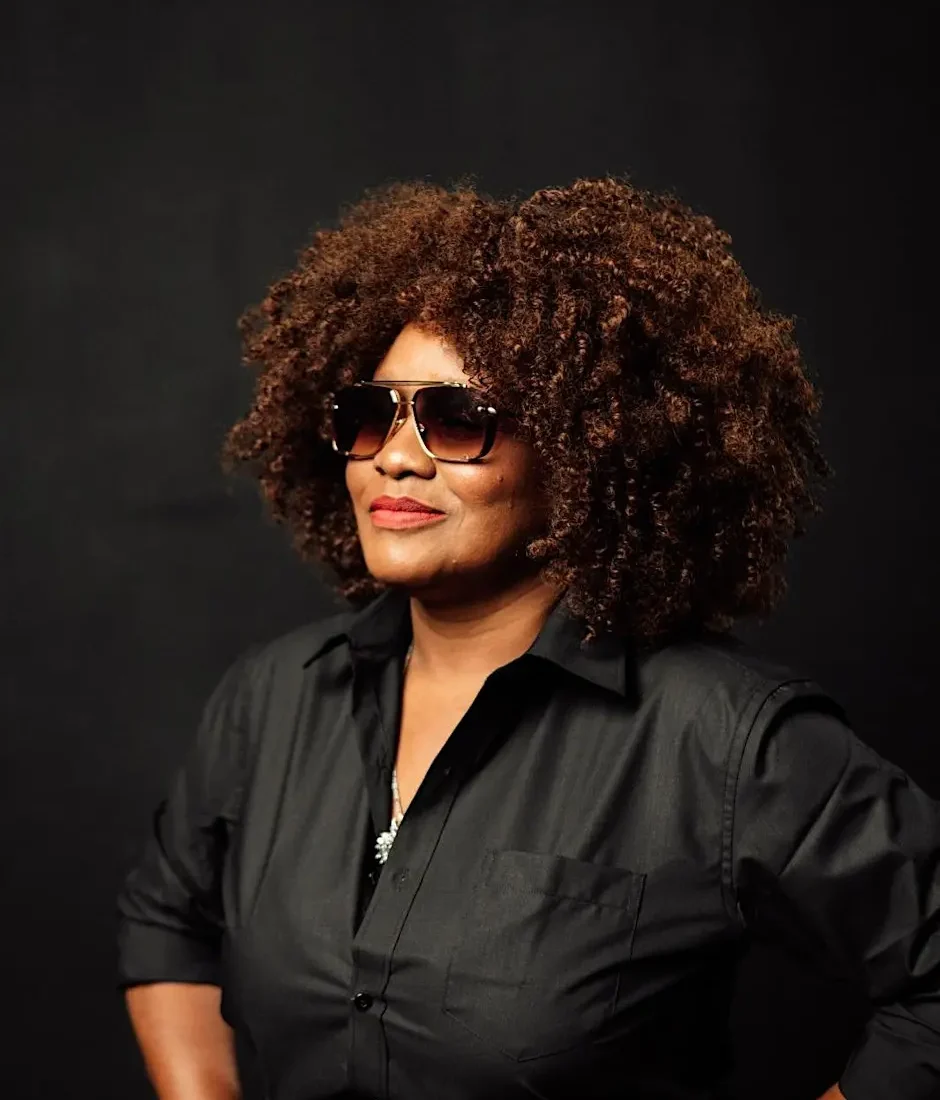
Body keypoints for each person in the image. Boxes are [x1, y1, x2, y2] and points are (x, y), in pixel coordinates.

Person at [115, 177, 939, 1100]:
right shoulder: (273, 698)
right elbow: (167, 919)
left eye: (455, 419)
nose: (395, 456)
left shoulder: (726, 738)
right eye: (370, 416)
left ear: (588, 454)